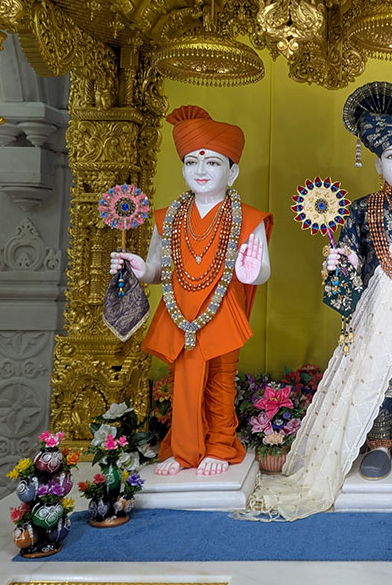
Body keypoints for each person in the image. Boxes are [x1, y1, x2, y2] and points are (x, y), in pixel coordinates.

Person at [248, 82, 392, 519]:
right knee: (376, 380)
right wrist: (338, 262)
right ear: (376, 162)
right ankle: (378, 443)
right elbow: (345, 271)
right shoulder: (358, 209)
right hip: (373, 314)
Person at [110, 105, 273, 477]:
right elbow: (157, 268)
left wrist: (251, 272)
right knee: (181, 381)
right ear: (182, 168)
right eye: (192, 163)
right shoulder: (166, 218)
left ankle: (218, 445)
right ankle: (183, 449)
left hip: (221, 309)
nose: (201, 171)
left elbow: (261, 271)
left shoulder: (248, 218)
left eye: (212, 163)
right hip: (179, 308)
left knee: (219, 380)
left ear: (232, 172)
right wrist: (142, 269)